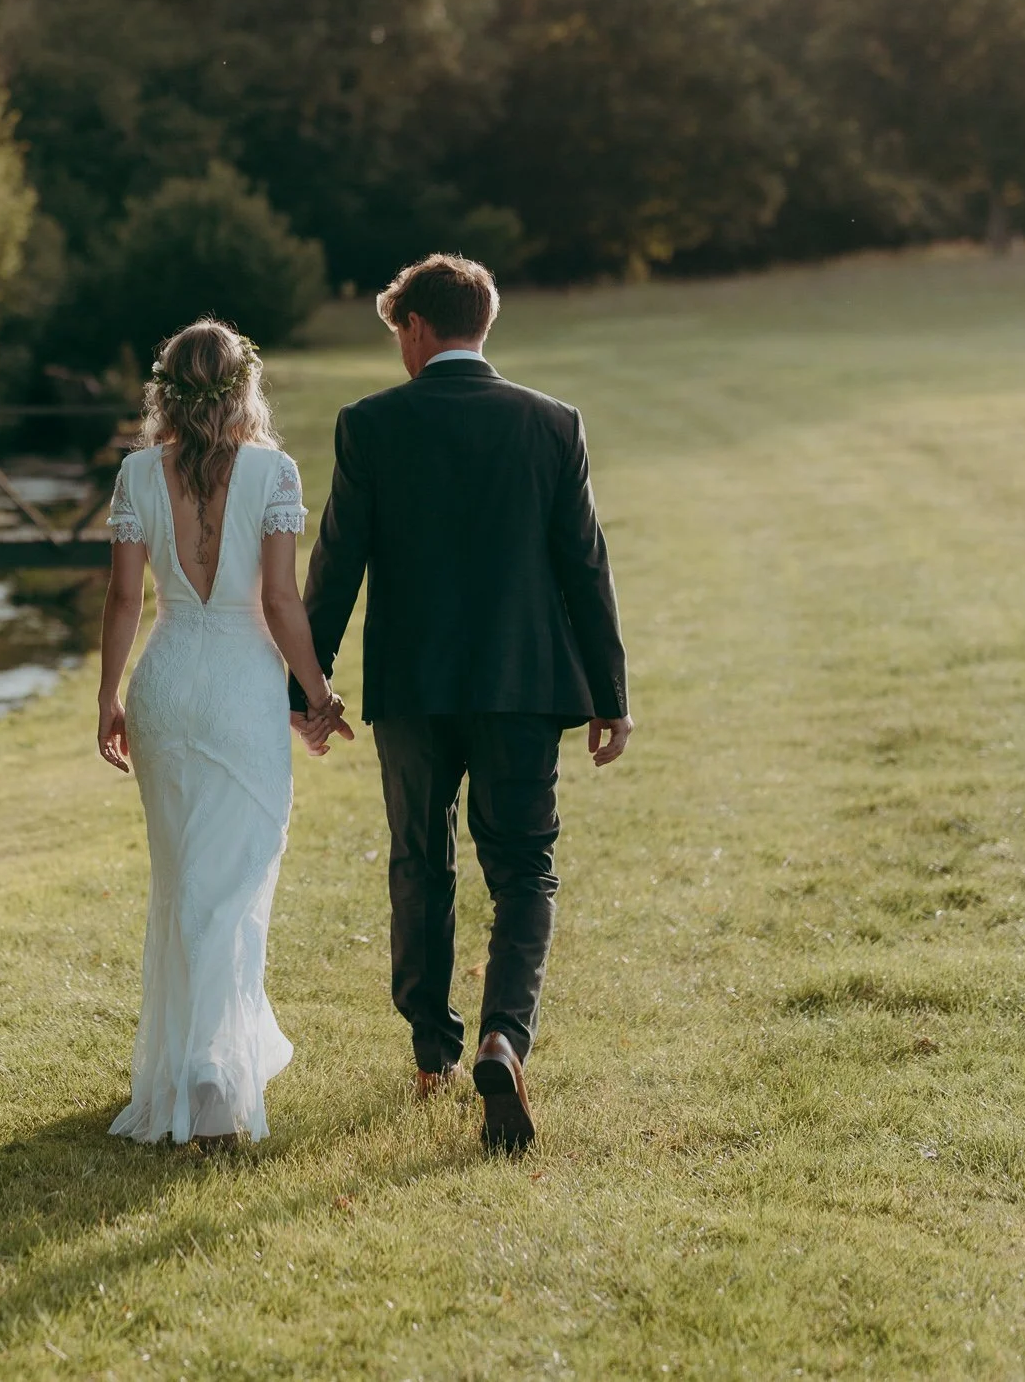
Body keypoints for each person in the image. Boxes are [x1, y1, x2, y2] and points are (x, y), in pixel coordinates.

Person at [295, 253, 631, 1154]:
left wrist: (309, 687)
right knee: (524, 869)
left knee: (420, 859)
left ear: (414, 326)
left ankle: (433, 1052)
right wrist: (610, 695)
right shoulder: (551, 424)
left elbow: (336, 566)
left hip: (413, 687)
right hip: (524, 686)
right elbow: (584, 566)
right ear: (483, 323)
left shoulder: (370, 425)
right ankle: (502, 1038)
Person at [94, 318, 347, 1151]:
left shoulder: (136, 474)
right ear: (244, 387)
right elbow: (280, 603)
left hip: (165, 687)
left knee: (183, 886)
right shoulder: (274, 470)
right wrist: (317, 695)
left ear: (165, 390)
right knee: (233, 888)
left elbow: (125, 602)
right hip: (240, 692)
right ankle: (212, 1081)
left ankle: (192, 1070)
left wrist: (108, 696)